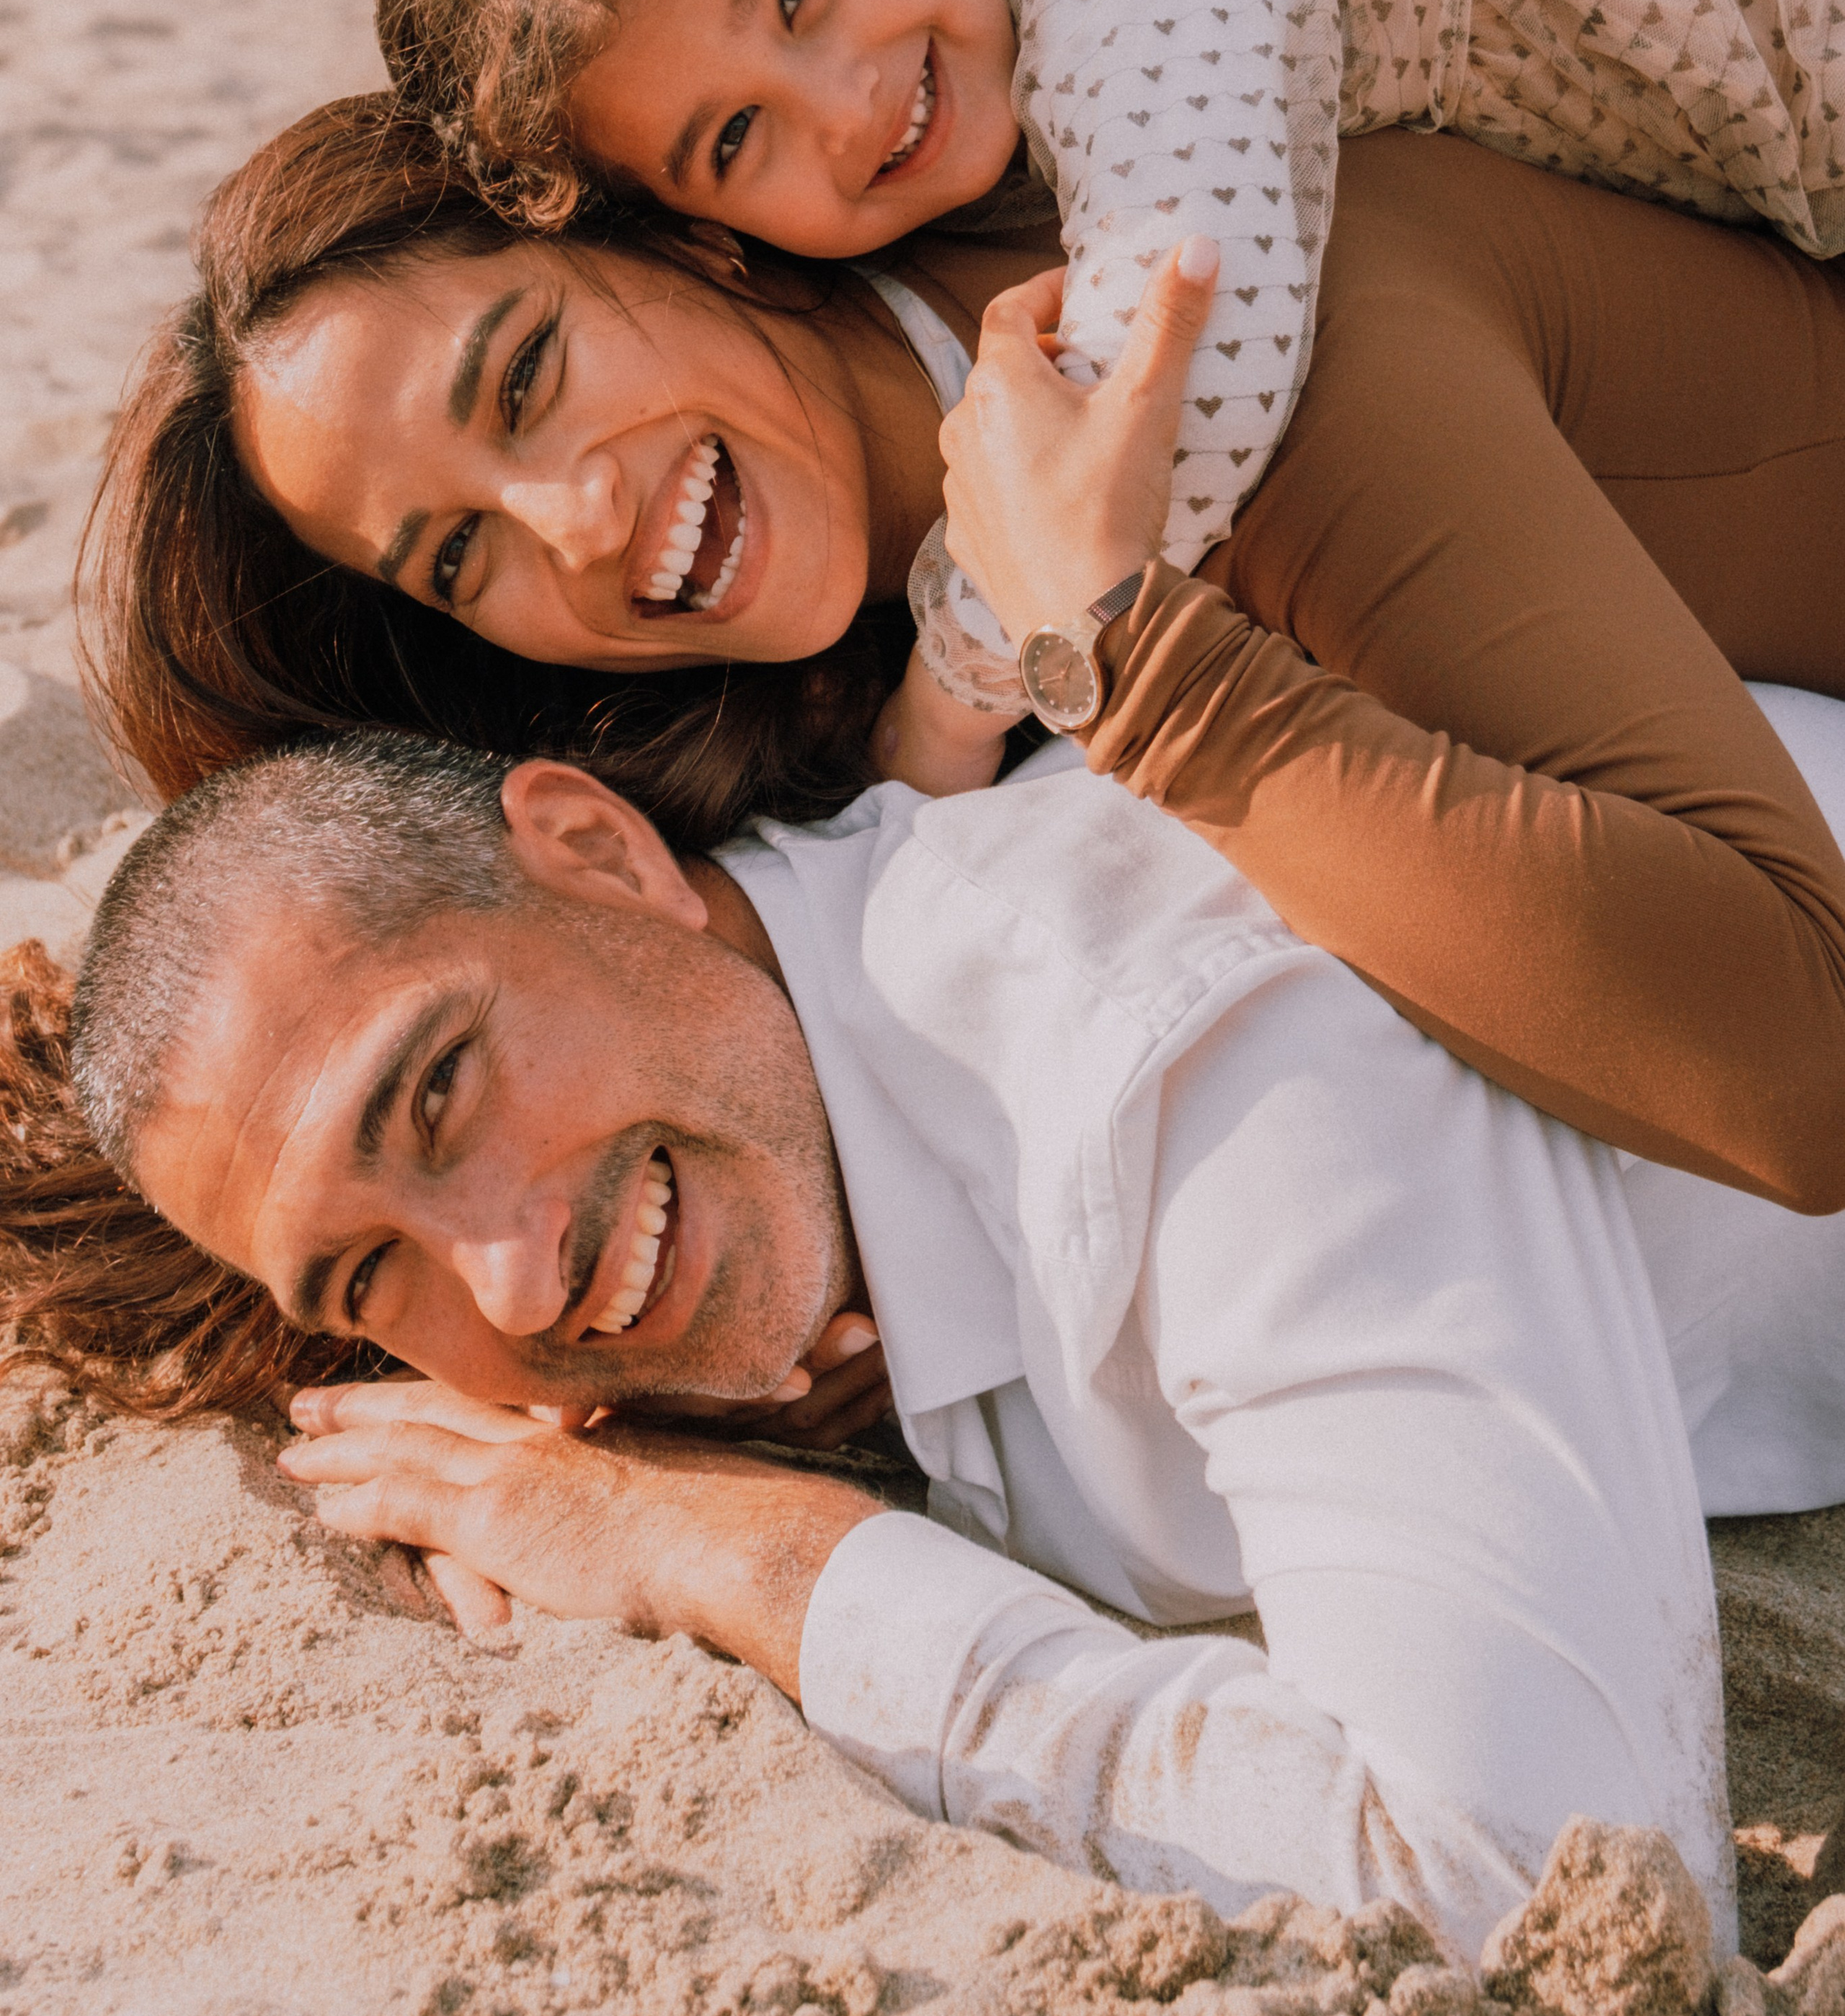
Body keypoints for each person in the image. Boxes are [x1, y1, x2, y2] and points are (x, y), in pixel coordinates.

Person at [18, 707, 1845, 1958]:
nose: (505, 1287)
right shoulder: (783, 1161)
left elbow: (1549, 1888)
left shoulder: (1159, 1040)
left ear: (592, 851)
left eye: (435, 1094)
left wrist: (764, 1563)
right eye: (368, 1281)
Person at [84, 100, 1845, 1204]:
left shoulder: (1221, 348)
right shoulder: (867, 688)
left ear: (679, 233)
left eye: (528, 378)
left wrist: (1114, 645)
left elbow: (1796, 1072)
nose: (574, 527)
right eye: (460, 553)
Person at [375, 0, 1845, 756]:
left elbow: (1187, 359)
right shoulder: (982, 40)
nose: (842, 106)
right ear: (703, 234)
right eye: (735, 135)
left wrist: (954, 698)